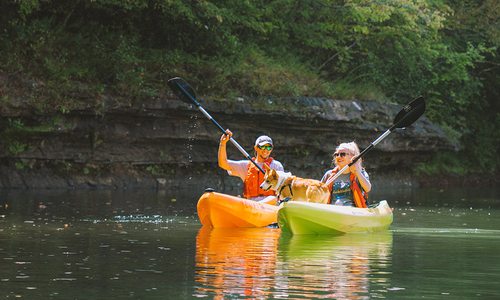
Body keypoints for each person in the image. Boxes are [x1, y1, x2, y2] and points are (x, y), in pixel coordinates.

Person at [218, 129, 284, 201]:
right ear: (256, 148)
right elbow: (223, 163)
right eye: (262, 147)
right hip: (250, 205)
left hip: (270, 205)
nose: (266, 150)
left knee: (272, 199)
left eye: (269, 147)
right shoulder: (246, 165)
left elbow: (282, 189)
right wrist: (223, 143)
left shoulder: (276, 166)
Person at [320, 142, 371, 207]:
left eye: (342, 154)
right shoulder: (329, 174)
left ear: (352, 157)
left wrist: (357, 172)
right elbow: (320, 192)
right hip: (332, 209)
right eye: (336, 154)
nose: (338, 157)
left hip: (353, 211)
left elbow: (368, 188)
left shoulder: (360, 173)